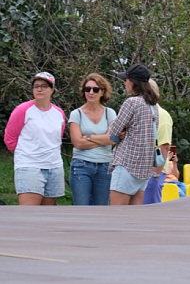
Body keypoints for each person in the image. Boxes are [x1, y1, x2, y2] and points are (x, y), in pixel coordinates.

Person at [4, 73, 66, 206]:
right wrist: (25, 156)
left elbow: (57, 138)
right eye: (36, 86)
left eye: (43, 86)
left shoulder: (59, 113)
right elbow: (10, 138)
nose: (39, 89)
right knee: (29, 215)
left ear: (52, 89)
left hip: (54, 167)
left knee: (48, 216)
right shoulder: (22, 110)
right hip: (29, 167)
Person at [108, 64, 160, 205]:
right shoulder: (153, 106)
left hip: (128, 164)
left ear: (133, 82)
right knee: (133, 218)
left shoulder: (131, 102)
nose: (125, 83)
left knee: (117, 214)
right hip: (144, 169)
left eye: (126, 79)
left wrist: (119, 134)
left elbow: (113, 132)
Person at [69, 74, 117, 206]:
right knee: (81, 208)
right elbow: (77, 143)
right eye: (87, 89)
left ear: (102, 92)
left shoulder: (110, 113)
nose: (91, 92)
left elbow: (113, 139)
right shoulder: (76, 114)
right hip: (81, 166)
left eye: (95, 89)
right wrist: (103, 139)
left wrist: (89, 137)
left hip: (105, 165)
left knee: (102, 209)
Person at [142, 79, 173, 205]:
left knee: (149, 214)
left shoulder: (162, 115)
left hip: (152, 173)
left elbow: (164, 147)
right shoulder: (141, 113)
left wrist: (155, 175)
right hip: (139, 173)